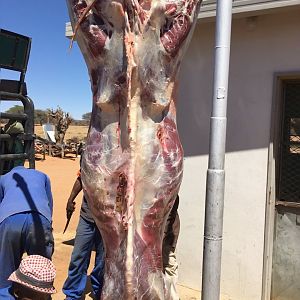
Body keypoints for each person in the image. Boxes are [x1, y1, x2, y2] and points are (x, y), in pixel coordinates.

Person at [0, 166, 54, 299]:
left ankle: (5, 296)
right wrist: (47, 227)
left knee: (6, 268)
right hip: (39, 219)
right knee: (41, 270)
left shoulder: (4, 178)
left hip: (10, 219)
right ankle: (42, 296)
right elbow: (49, 203)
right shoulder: (42, 175)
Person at [62, 157, 105, 300]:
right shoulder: (89, 153)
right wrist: (70, 198)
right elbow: (81, 177)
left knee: (103, 260)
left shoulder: (117, 154)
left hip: (107, 221)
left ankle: (100, 291)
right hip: (87, 217)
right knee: (78, 256)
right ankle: (73, 294)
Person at [162, 195, 180, 300]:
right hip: (155, 238)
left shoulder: (168, 190)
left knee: (168, 267)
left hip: (165, 237)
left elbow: (168, 219)